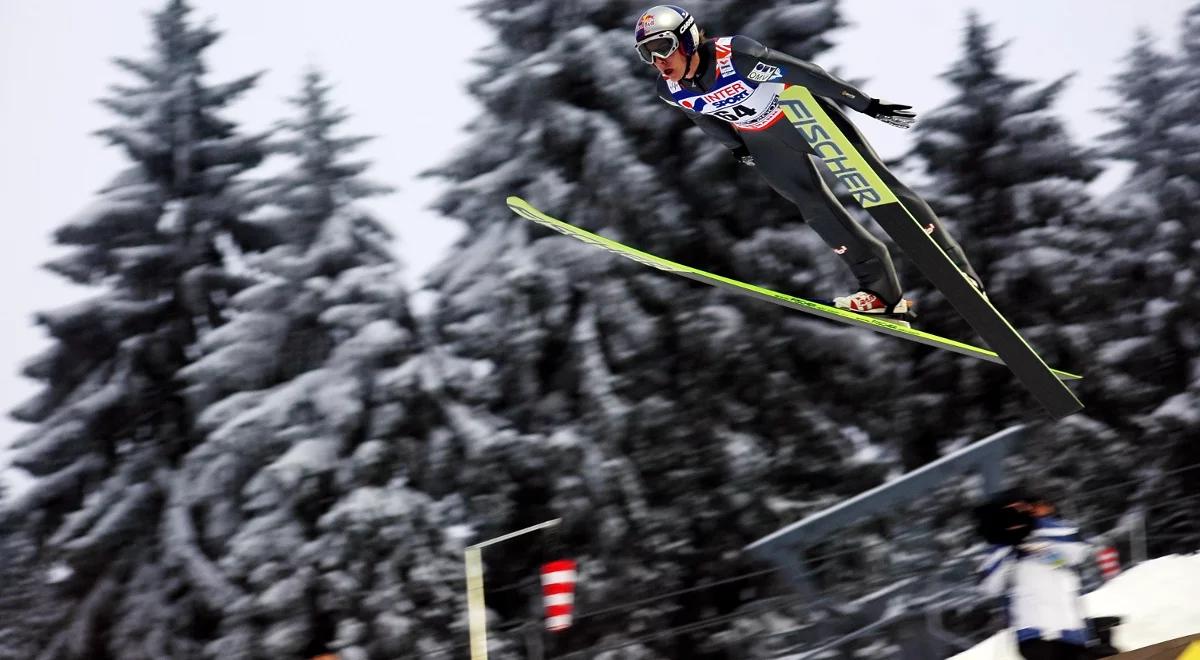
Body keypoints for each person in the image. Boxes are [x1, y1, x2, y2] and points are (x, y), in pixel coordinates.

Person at [633, 5, 984, 326]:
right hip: (763, 141)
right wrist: (735, 146)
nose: (658, 59)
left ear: (688, 38)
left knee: (875, 186)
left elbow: (809, 75)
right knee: (816, 211)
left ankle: (957, 268)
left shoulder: (734, 55)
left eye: (663, 46)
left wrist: (866, 104)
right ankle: (881, 295)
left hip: (801, 119)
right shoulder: (669, 88)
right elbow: (702, 116)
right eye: (647, 53)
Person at [974, 491, 1112, 660]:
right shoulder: (1002, 548)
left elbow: (1078, 549)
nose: (1017, 516)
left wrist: (1036, 526)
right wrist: (1006, 543)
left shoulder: (1054, 535)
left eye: (1023, 510)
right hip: (1035, 636)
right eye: (1012, 511)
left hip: (1073, 634)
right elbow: (987, 586)